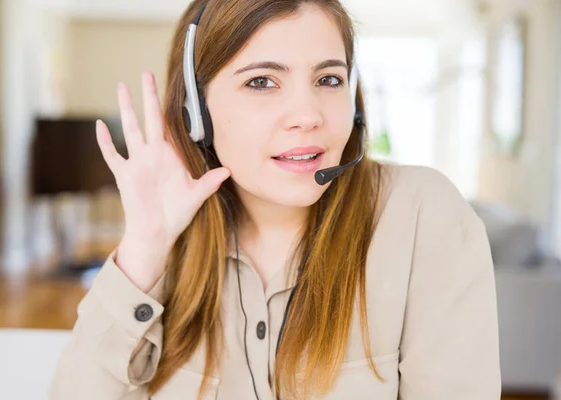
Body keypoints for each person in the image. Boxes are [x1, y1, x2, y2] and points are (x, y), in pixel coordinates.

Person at [49, 0, 501, 399]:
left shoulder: (424, 217)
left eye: (328, 78)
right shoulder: (167, 244)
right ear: (196, 113)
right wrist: (144, 249)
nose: (308, 116)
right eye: (262, 82)